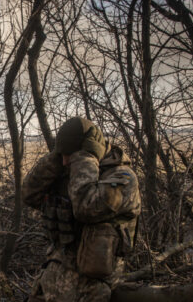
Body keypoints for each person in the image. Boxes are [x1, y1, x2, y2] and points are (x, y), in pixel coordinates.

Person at [23, 117, 141, 302]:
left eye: (68, 155)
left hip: (89, 288)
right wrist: (55, 158)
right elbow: (29, 194)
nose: (64, 162)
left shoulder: (123, 178)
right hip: (52, 280)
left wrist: (85, 159)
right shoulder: (71, 173)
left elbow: (86, 208)